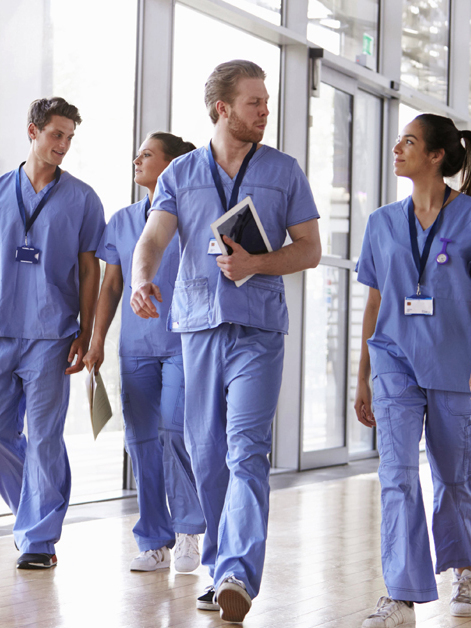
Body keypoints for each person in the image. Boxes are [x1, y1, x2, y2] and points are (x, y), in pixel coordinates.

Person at [130, 60, 321, 623]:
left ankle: (237, 569)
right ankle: (219, 568)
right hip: (197, 328)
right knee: (208, 455)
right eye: (255, 102)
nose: (266, 111)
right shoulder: (180, 174)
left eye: (266, 102)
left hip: (259, 330)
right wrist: (142, 278)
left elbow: (308, 248)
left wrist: (258, 262)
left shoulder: (284, 172)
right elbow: (152, 239)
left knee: (246, 450)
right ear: (223, 109)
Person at [353, 114, 471, 626]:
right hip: (394, 361)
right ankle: (401, 594)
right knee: (397, 475)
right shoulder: (382, 221)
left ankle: (463, 568)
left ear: (436, 157)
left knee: (456, 476)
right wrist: (362, 373)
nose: (397, 147)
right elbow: (375, 299)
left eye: (409, 141)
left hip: (455, 363)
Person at [0, 97, 105, 570]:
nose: (63, 145)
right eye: (56, 134)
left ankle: (39, 538)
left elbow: (89, 270)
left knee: (43, 437)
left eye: (70, 138)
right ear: (33, 132)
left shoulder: (82, 198)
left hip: (53, 333)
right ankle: (30, 514)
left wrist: (86, 329)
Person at [83, 132, 206, 574]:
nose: (137, 158)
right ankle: (155, 539)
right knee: (140, 442)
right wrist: (97, 340)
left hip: (183, 342)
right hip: (135, 348)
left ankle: (190, 529)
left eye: (148, 154)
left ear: (173, 165)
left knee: (174, 431)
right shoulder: (121, 220)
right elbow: (111, 285)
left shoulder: (193, 218)